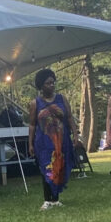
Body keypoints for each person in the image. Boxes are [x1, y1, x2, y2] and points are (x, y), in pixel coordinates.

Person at [27, 68, 80, 210]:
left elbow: (69, 118)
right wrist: (30, 143)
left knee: (60, 167)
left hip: (62, 141)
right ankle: (47, 200)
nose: (52, 85)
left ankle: (56, 199)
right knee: (46, 168)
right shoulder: (35, 103)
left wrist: (75, 135)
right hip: (44, 142)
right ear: (41, 86)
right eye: (48, 83)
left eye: (53, 82)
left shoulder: (61, 99)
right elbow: (32, 125)